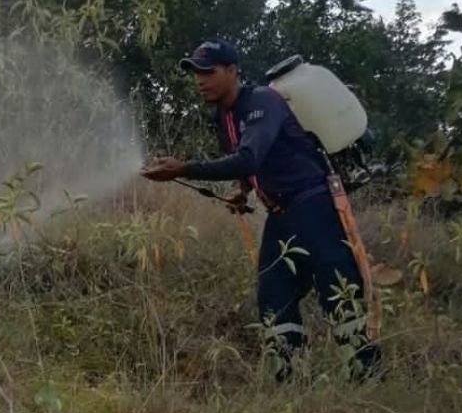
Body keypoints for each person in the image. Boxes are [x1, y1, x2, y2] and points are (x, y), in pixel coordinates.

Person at [141, 39, 381, 381]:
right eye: (195, 72)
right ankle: (291, 382)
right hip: (282, 214)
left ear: (232, 71)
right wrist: (243, 190)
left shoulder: (262, 102)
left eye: (208, 71)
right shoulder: (223, 115)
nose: (199, 79)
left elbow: (249, 156)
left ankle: (366, 380)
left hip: (314, 207)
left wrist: (182, 169)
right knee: (273, 298)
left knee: (339, 294)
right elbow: (248, 163)